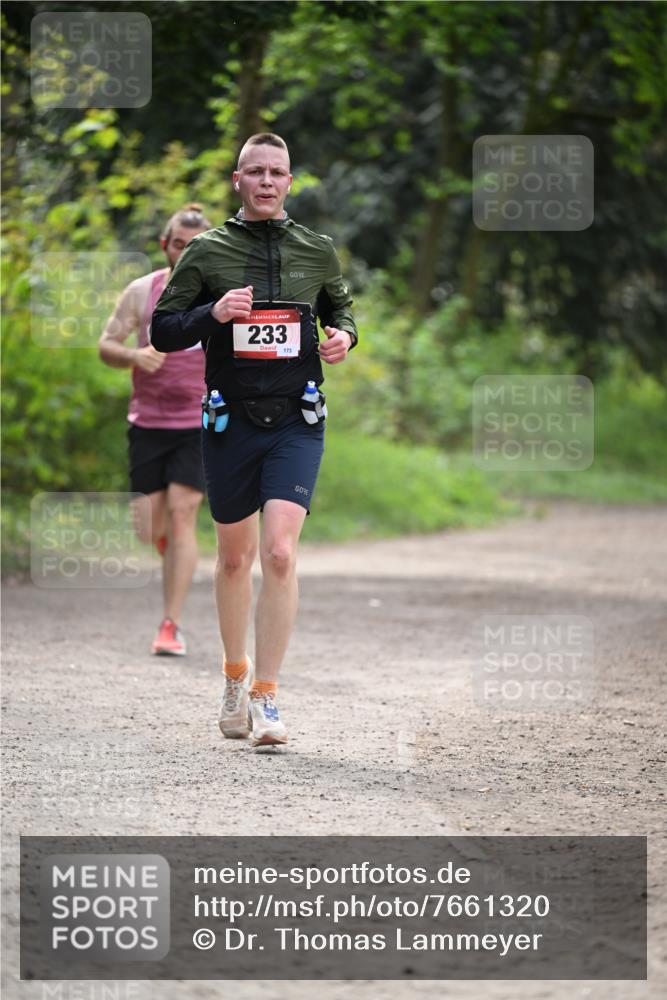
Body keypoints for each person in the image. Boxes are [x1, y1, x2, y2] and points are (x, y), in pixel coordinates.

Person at [151, 133, 358, 749]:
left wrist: (345, 338)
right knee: (236, 558)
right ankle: (235, 677)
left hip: (297, 418)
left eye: (278, 173)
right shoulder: (208, 251)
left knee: (280, 554)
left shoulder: (317, 251)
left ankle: (268, 696)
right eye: (256, 172)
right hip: (230, 421)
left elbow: (342, 312)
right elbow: (163, 330)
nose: (268, 181)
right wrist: (211, 315)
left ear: (290, 182)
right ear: (237, 180)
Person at [99, 204, 212, 656]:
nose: (185, 253)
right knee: (148, 528)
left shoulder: (220, 297)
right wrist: (135, 355)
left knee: (184, 514)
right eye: (178, 245)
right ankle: (170, 548)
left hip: (199, 422)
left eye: (194, 247)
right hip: (147, 422)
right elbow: (106, 344)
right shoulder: (141, 292)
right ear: (165, 246)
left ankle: (171, 624)